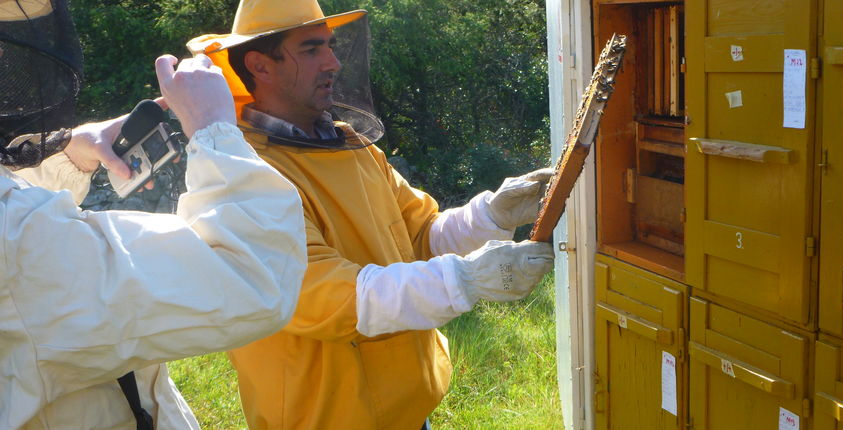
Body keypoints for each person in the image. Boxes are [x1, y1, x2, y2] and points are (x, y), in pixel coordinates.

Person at [187, 0, 555, 428]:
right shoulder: (240, 175)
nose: (333, 62)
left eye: (330, 46)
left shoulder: (352, 146)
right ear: (259, 66)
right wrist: (467, 279)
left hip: (409, 410)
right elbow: (329, 299)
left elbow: (420, 235)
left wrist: (491, 213)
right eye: (311, 49)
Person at [0, 1, 307, 429]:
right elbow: (251, 274)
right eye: (312, 48)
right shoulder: (16, 245)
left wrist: (67, 154)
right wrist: (212, 128)